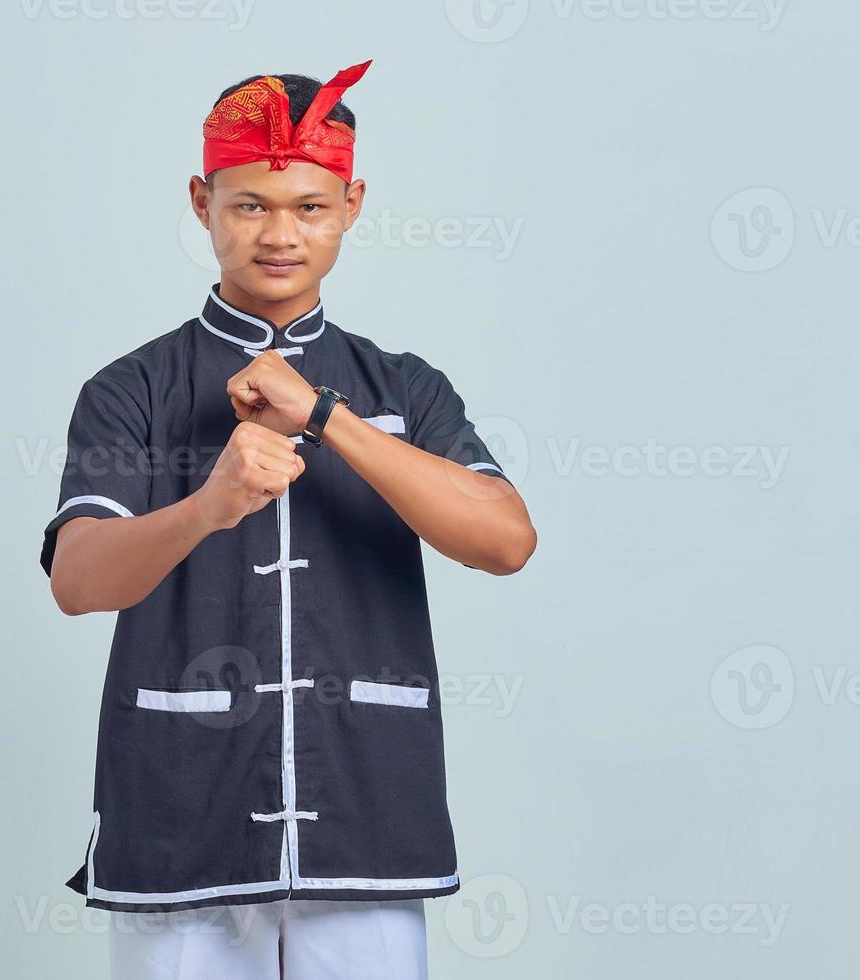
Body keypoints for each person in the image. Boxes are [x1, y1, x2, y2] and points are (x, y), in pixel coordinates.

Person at [40, 57, 537, 980]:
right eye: (249, 205)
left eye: (309, 206)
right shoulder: (131, 391)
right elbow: (78, 582)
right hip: (180, 805)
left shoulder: (403, 388)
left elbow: (505, 541)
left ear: (351, 204)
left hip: (368, 809)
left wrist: (326, 417)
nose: (280, 233)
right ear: (202, 202)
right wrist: (207, 507)